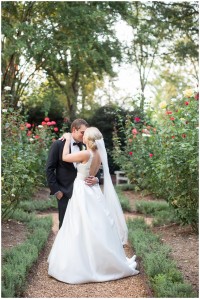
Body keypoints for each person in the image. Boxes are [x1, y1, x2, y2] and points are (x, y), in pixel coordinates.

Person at [48, 127, 139, 284]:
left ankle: (82, 264)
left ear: (88, 139)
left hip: (83, 191)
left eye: (85, 135)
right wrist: (96, 179)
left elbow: (64, 157)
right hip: (93, 190)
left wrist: (67, 139)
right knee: (96, 223)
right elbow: (95, 173)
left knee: (79, 224)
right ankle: (100, 259)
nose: (82, 137)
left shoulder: (85, 153)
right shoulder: (98, 154)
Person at [46, 119, 99, 229]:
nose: (85, 136)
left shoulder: (85, 145)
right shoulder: (58, 144)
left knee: (81, 226)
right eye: (82, 133)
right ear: (74, 130)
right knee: (65, 225)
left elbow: (90, 167)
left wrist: (96, 179)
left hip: (82, 192)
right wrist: (57, 191)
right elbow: (49, 169)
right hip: (64, 192)